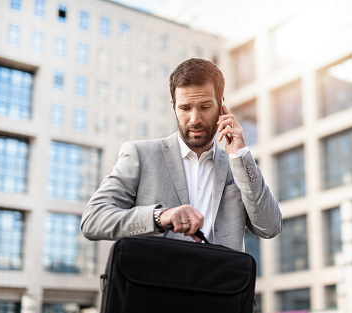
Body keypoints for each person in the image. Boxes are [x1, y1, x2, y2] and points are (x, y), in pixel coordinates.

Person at [81, 58, 282, 251]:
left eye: (205, 107)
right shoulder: (140, 155)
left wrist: (240, 156)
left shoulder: (237, 166)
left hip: (219, 285)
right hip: (158, 285)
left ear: (221, 106)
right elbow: (93, 219)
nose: (195, 119)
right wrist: (160, 217)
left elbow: (270, 227)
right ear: (173, 107)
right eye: (185, 108)